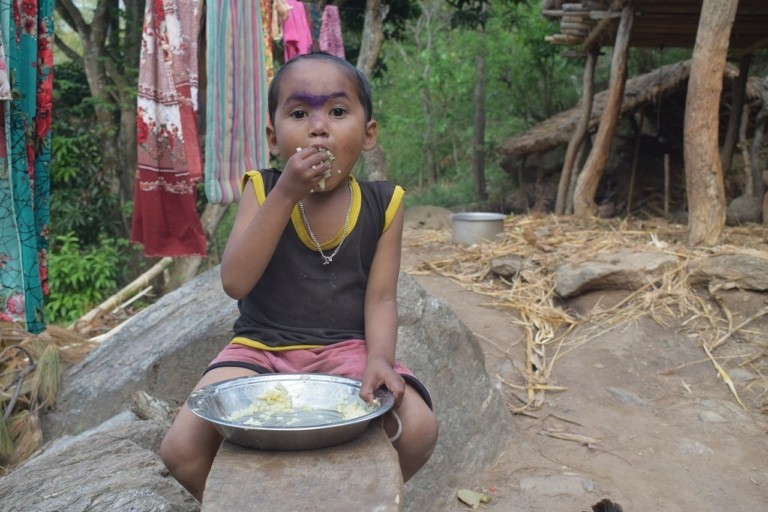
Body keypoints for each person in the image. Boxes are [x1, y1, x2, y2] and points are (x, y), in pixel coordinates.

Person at [160, 52, 439, 502]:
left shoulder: (384, 203)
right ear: (274, 137)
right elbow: (235, 281)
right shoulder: (262, 188)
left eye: (338, 111)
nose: (318, 127)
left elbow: (382, 298)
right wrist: (286, 193)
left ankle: (350, 503)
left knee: (420, 428)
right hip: (261, 348)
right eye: (298, 113)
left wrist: (380, 359)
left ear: (368, 135)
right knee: (181, 448)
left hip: (346, 350)